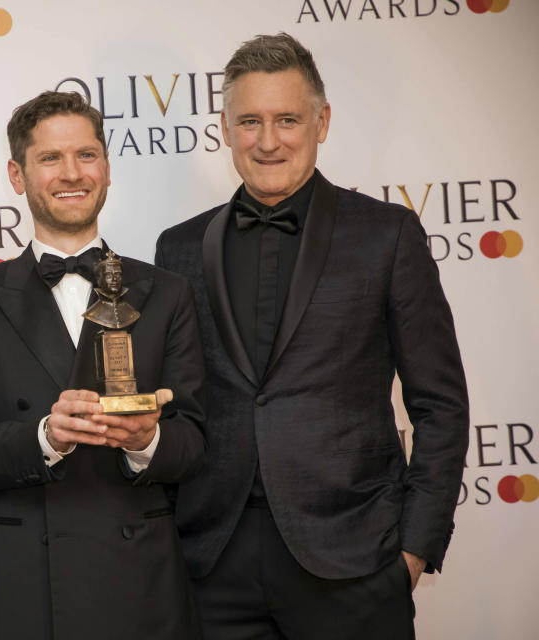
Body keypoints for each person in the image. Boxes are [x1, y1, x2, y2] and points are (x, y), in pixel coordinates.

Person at [155, 33, 469, 639]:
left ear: (321, 122)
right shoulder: (179, 247)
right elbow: (176, 407)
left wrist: (412, 550)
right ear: (224, 128)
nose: (267, 141)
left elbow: (440, 403)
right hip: (213, 564)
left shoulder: (387, 236)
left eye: (286, 120)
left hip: (355, 560)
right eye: (250, 121)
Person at [0, 91, 206, 639]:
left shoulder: (168, 292)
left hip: (141, 580)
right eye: (50, 158)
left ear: (106, 167)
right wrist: (44, 437)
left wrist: (144, 440)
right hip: (25, 581)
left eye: (86, 155)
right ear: (18, 174)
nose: (71, 173)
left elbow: (195, 440)